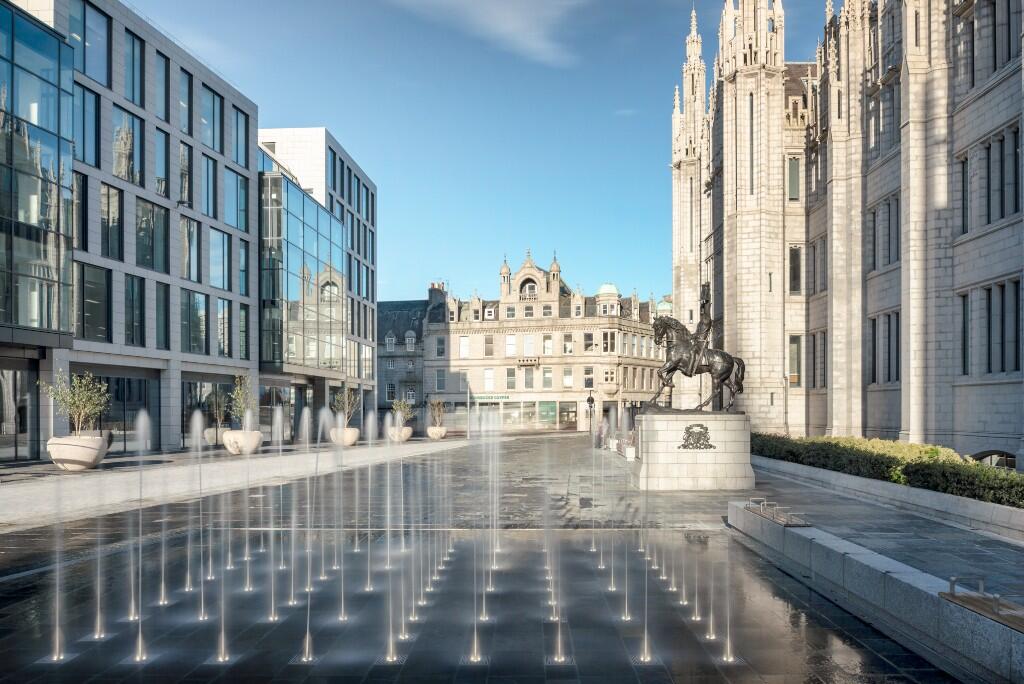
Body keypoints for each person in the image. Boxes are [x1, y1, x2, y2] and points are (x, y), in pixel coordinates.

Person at [687, 282, 713, 376]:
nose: (701, 314)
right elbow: (697, 333)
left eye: (703, 314)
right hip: (698, 341)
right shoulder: (701, 323)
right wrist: (690, 336)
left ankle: (691, 370)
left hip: (702, 343)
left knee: (692, 351)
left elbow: (706, 311)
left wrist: (705, 299)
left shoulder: (706, 322)